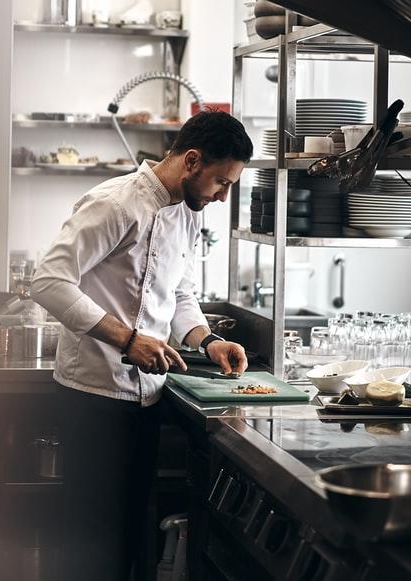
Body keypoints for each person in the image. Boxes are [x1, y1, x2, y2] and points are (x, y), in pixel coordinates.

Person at [30, 110, 254, 580]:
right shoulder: (114, 203)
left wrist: (206, 339)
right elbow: (48, 281)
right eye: (221, 182)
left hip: (147, 396)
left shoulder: (188, 212)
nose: (223, 195)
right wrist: (127, 339)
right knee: (91, 541)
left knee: (131, 534)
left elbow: (178, 292)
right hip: (92, 393)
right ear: (191, 161)